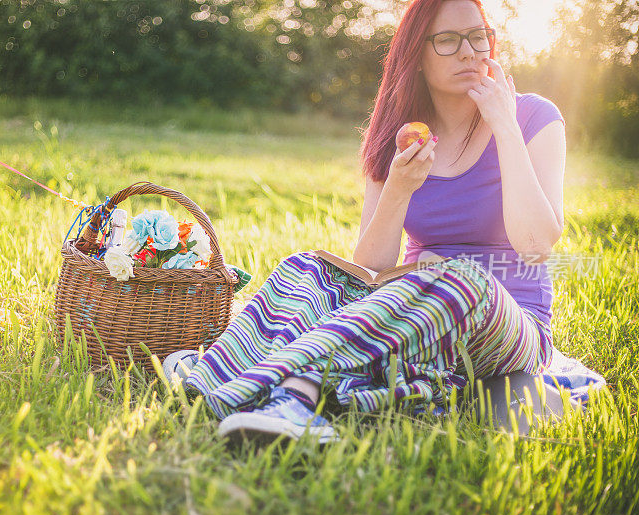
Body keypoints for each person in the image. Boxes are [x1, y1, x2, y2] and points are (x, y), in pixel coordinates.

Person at [163, 0, 566, 444]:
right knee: (310, 268)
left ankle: (290, 394)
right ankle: (228, 376)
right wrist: (397, 189)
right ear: (417, 56)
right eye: (448, 41)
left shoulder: (533, 117)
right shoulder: (398, 133)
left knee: (457, 281)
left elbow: (536, 243)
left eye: (478, 36)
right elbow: (370, 267)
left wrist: (504, 127)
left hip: (506, 320)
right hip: (403, 304)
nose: (469, 52)